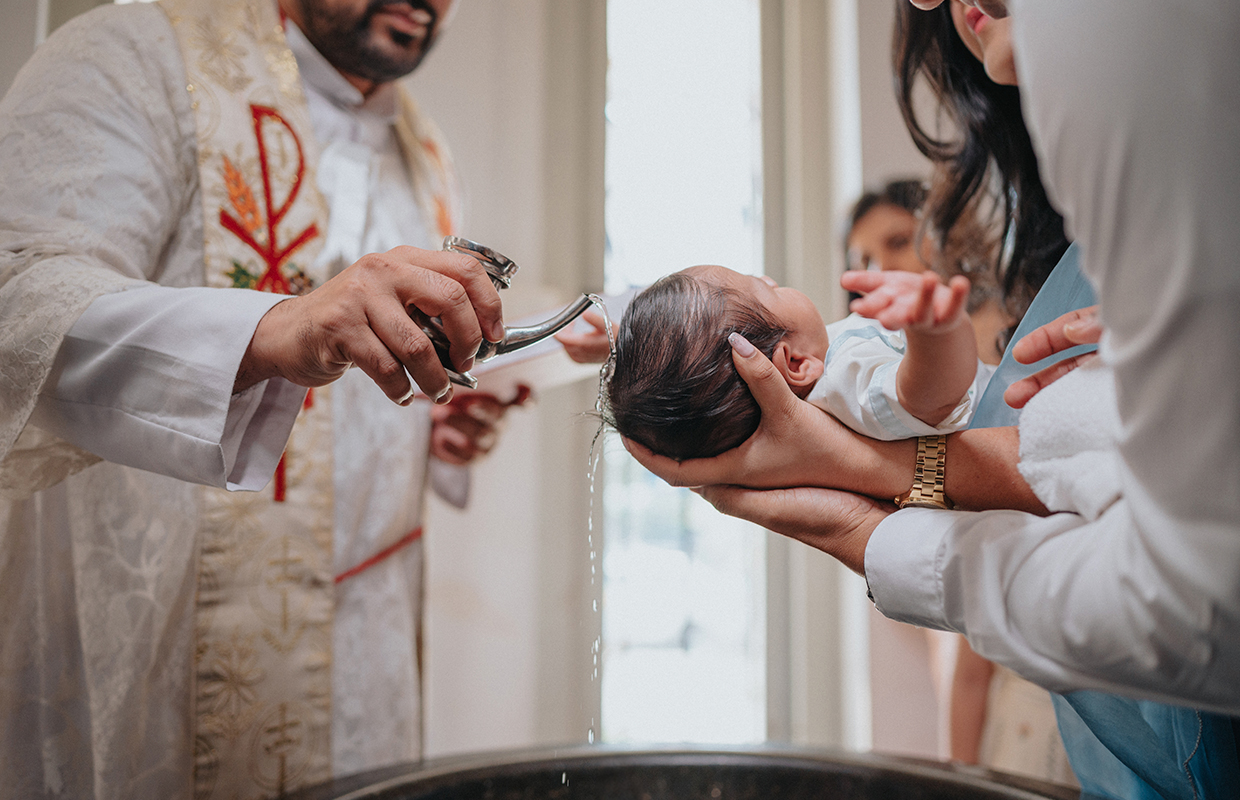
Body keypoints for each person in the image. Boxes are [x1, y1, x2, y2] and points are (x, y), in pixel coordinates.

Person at [626, 0, 1240, 787]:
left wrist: (867, 508)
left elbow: (1191, 607)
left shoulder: (1145, 79)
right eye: (766, 284)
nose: (923, 2)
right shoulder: (860, 363)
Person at [0, 0, 544, 797]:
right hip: (165, 646)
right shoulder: (135, 54)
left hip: (368, 648)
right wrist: (272, 331)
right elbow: (20, 302)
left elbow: (360, 394)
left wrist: (436, 425)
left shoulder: (423, 147)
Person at [604, 264, 984, 461]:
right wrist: (935, 334)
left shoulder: (820, 371)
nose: (771, 278)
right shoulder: (844, 387)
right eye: (765, 288)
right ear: (797, 363)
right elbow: (930, 396)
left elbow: (688, 365)